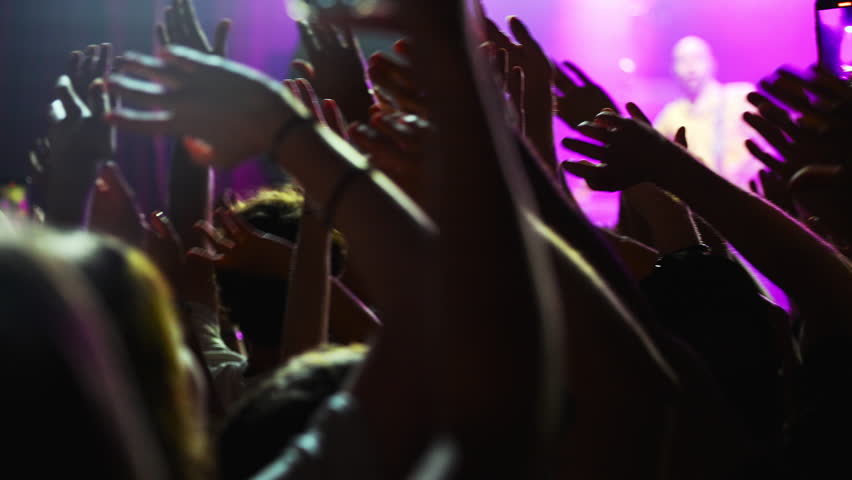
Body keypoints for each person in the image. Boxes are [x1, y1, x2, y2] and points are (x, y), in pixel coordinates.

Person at [655, 36, 763, 189]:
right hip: (702, 204)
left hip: (749, 200)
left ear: (712, 63)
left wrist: (745, 174)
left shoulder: (739, 97)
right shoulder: (672, 113)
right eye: (682, 60)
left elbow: (770, 146)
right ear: (672, 69)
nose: (690, 67)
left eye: (697, 58)